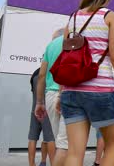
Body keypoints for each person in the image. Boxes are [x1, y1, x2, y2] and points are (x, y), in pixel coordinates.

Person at [37, 0, 114, 166]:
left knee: (74, 152)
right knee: (113, 146)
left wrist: (60, 94)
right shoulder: (111, 17)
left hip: (72, 92)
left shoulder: (73, 18)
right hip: (101, 91)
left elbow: (65, 59)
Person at [35, 29, 68, 166]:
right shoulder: (70, 41)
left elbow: (42, 76)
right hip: (67, 93)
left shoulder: (50, 46)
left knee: (54, 138)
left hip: (49, 96)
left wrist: (39, 102)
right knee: (67, 141)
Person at [28, 68, 55, 166]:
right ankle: (53, 163)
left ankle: (34, 163)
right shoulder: (50, 73)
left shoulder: (35, 73)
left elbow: (33, 91)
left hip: (34, 109)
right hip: (45, 110)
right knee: (51, 138)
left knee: (32, 137)